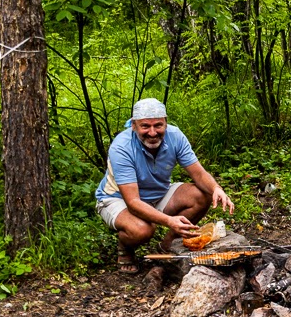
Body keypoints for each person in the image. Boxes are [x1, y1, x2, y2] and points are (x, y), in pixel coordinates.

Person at [95, 98, 234, 274]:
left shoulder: (175, 136)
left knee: (202, 195)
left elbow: (198, 173)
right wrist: (169, 221)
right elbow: (133, 201)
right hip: (117, 198)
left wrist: (216, 188)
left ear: (166, 124)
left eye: (158, 126)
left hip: (158, 193)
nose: (152, 133)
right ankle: (125, 249)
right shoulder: (122, 147)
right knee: (143, 229)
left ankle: (167, 244)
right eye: (145, 126)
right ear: (134, 125)